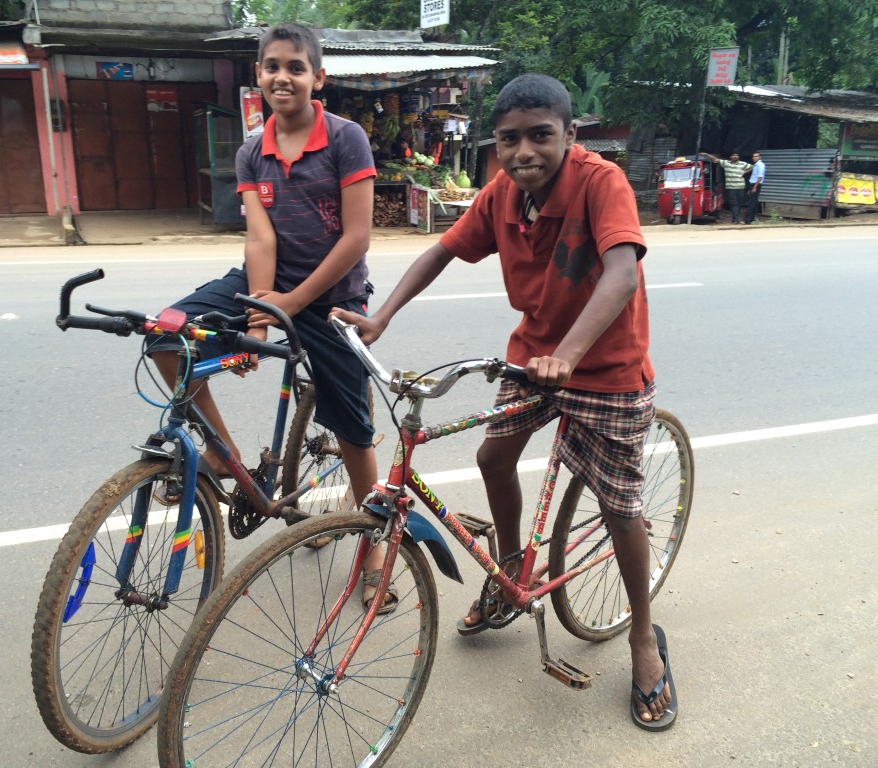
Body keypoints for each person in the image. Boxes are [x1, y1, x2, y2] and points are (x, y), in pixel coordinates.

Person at [331, 73, 677, 730]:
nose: (524, 152)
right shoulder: (503, 196)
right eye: (509, 140)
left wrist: (570, 356)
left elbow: (622, 271)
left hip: (605, 367)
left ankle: (642, 639)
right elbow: (442, 251)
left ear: (570, 136)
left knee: (619, 505)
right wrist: (381, 318)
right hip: (533, 356)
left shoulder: (600, 183)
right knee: (494, 457)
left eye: (540, 136)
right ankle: (511, 569)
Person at [145, 22, 394, 611]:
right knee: (164, 336)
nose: (283, 76)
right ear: (258, 75)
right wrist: (260, 316)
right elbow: (260, 238)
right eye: (272, 66)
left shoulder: (346, 138)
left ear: (318, 78)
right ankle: (220, 453)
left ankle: (377, 544)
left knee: (352, 426)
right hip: (266, 286)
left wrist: (292, 303)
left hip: (332, 295)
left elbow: (357, 237)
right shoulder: (251, 150)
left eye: (296, 67)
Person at [706, 151, 752, 224]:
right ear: (730, 157)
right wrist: (706, 154)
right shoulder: (726, 163)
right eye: (733, 155)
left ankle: (737, 218)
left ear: (738, 157)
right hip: (731, 187)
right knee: (734, 204)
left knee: (740, 203)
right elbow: (715, 159)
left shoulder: (743, 164)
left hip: (741, 187)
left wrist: (745, 172)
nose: (735, 156)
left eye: (736, 155)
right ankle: (735, 219)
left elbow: (752, 167)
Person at [743, 150, 765, 223]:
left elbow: (760, 177)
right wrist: (746, 171)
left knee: (751, 203)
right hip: (753, 184)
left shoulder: (760, 165)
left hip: (756, 184)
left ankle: (746, 220)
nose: (754, 158)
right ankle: (753, 220)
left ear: (760, 157)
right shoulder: (756, 165)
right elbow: (753, 168)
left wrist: (755, 187)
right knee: (754, 202)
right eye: (753, 156)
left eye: (756, 156)